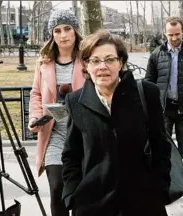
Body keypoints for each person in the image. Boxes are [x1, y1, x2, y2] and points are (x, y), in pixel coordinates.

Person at [61, 30, 171, 216]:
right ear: (86, 65)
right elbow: (71, 154)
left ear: (121, 63)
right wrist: (72, 193)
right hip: (93, 204)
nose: (102, 66)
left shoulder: (146, 93)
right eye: (95, 60)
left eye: (110, 59)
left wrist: (160, 187)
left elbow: (160, 145)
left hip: (143, 203)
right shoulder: (75, 101)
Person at [28, 9, 85, 216]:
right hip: (54, 134)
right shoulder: (44, 62)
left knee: (80, 193)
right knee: (57, 189)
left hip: (83, 134)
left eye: (67, 29)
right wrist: (35, 117)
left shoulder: (87, 59)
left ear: (75, 31)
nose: (63, 35)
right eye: (57, 30)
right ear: (52, 34)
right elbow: (35, 93)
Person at [145, 17, 183, 182]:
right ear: (165, 33)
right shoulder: (156, 54)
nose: (174, 38)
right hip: (163, 108)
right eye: (170, 34)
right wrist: (151, 106)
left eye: (177, 34)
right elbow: (149, 82)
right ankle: (170, 175)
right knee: (162, 146)